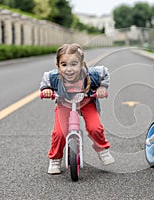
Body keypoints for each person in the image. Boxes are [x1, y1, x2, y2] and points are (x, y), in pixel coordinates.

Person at [40, 43, 114, 175]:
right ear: (58, 66)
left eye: (74, 64)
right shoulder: (52, 76)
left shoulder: (92, 74)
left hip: (86, 102)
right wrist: (46, 90)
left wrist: (102, 87)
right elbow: (45, 84)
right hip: (64, 103)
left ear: (82, 64)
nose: (69, 69)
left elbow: (105, 74)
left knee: (95, 127)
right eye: (64, 65)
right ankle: (55, 158)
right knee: (59, 133)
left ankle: (102, 149)